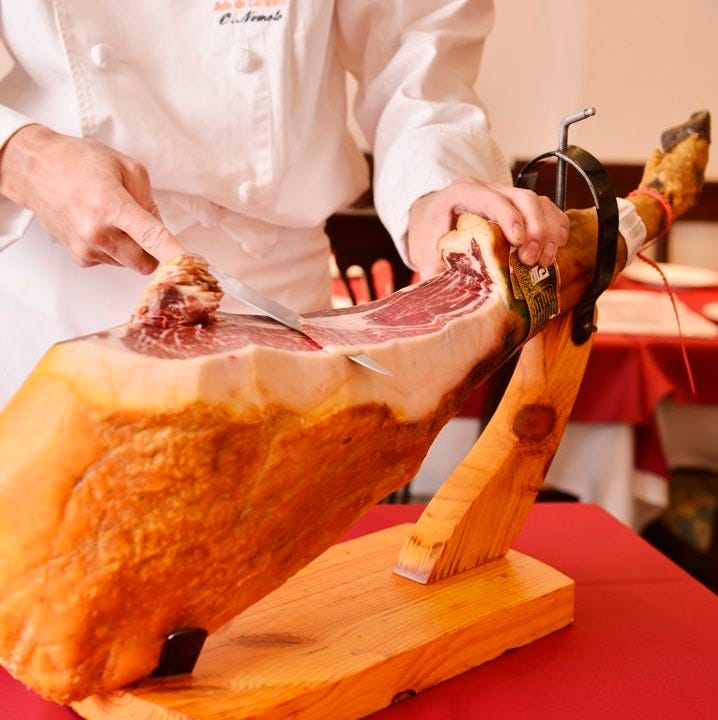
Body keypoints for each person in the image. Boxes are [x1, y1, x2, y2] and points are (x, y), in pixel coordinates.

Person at [0, 1, 568, 407]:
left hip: (277, 302)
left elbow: (418, 52)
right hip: (54, 300)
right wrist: (23, 156)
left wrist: (433, 188)